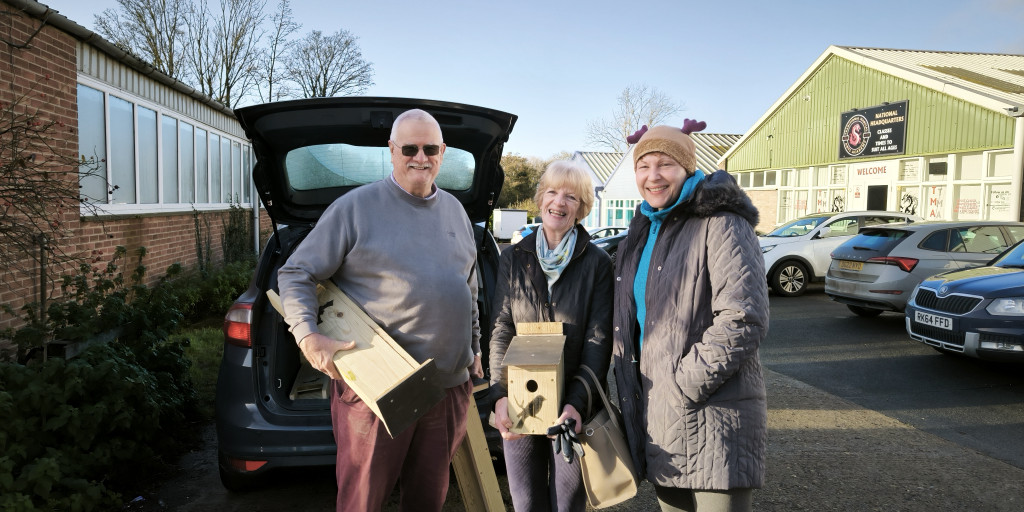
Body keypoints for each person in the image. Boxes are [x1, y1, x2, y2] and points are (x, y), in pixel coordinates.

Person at [276, 108, 484, 511]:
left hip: (446, 387)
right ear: (391, 150)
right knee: (363, 502)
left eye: (430, 149)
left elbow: (468, 287)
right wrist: (307, 336)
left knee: (428, 500)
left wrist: (474, 347)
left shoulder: (456, 212)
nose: (420, 157)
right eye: (409, 149)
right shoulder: (355, 208)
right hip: (378, 387)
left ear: (442, 152)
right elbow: (297, 272)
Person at [612, 121, 769, 512]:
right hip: (660, 418)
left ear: (687, 167)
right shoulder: (643, 230)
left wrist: (683, 385)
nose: (653, 176)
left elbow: (743, 317)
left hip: (713, 415)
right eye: (643, 166)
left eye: (665, 164)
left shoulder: (722, 222)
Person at [489, 160, 614, 512]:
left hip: (571, 408)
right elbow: (501, 328)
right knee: (526, 502)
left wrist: (576, 403)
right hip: (521, 399)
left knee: (567, 503)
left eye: (570, 197)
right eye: (552, 192)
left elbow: (598, 341)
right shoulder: (513, 258)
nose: (559, 202)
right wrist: (500, 394)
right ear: (541, 198)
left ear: (582, 207)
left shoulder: (597, 263)